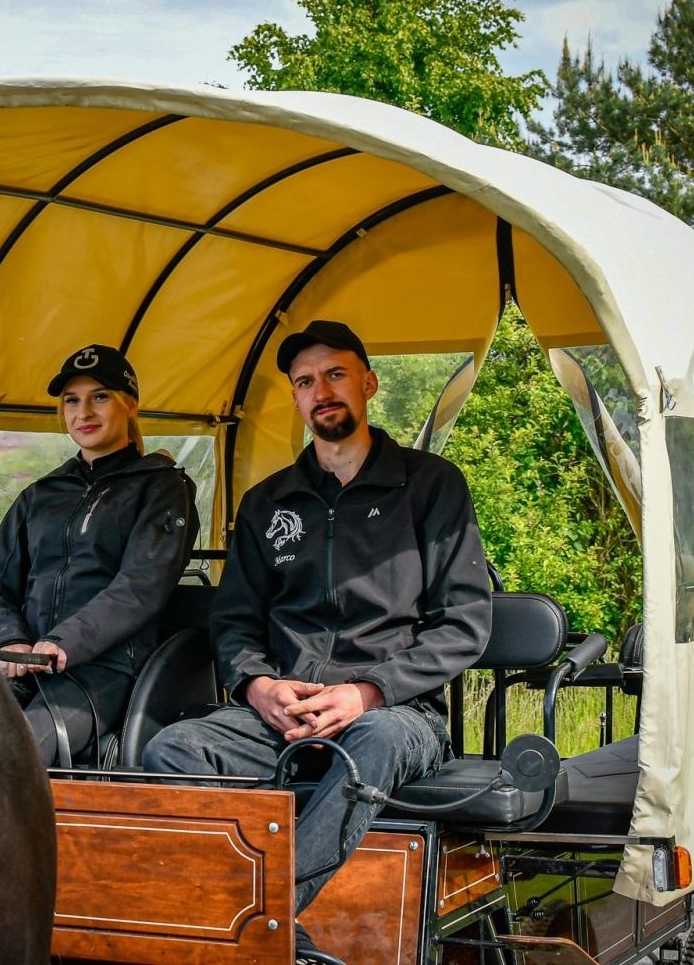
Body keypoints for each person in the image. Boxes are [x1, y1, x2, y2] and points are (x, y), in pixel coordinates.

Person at [142, 320, 491, 965]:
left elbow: (464, 625)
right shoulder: (268, 502)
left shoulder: (431, 486)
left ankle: (255, 924)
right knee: (174, 748)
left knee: (370, 748)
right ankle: (268, 933)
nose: (321, 390)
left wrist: (366, 693)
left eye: (335, 374)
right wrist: (259, 686)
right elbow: (236, 621)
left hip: (395, 714)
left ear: (368, 382)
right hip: (282, 712)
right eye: (305, 381)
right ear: (297, 399)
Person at [0, 343, 197, 766]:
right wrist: (10, 641)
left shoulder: (163, 488)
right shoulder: (40, 496)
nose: (83, 412)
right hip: (24, 665)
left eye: (100, 397)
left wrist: (62, 643)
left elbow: (140, 588)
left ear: (130, 403)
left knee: (19, 756)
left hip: (105, 670)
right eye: (72, 400)